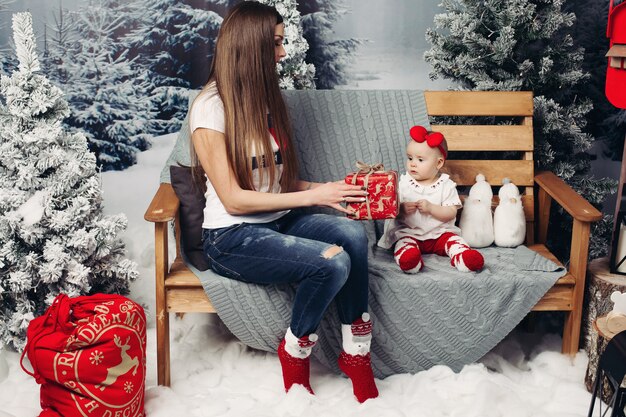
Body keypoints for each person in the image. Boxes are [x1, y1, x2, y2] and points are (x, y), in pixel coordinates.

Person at [189, 1, 378, 403]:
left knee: (352, 234)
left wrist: (328, 190)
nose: (283, 52)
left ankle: (356, 354)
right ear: (251, 46)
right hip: (231, 237)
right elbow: (235, 199)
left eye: (282, 42)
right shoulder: (211, 108)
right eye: (275, 43)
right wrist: (314, 196)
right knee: (333, 262)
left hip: (277, 220)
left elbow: (272, 180)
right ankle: (295, 350)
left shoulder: (262, 98)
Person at [377, 125, 485, 274]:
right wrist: (401, 209)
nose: (412, 163)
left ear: (438, 163)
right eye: (410, 158)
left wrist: (431, 208)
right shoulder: (403, 184)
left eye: (420, 160)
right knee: (403, 243)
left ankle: (462, 257)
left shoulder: (446, 185)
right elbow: (390, 210)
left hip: (439, 235)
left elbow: (451, 213)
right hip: (410, 233)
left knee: (455, 241)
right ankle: (410, 260)